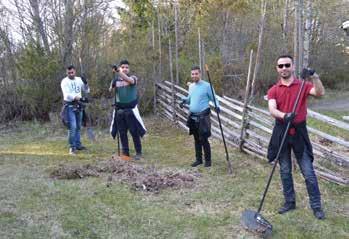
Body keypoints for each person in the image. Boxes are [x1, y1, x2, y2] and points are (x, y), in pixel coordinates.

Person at [267, 55, 325, 219]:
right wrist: (284, 115)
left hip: (299, 132)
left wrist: (314, 76)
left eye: (287, 65)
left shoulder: (303, 85)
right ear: (277, 69)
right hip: (282, 131)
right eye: (280, 66)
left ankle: (316, 206)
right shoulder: (274, 89)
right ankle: (289, 202)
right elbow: (272, 109)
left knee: (308, 172)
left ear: (293, 67)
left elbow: (320, 93)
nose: (284, 68)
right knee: (285, 171)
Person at [181, 66, 220, 167]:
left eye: (196, 74)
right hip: (193, 116)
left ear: (200, 74)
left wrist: (217, 106)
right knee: (196, 139)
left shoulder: (207, 86)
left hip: (203, 117)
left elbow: (214, 98)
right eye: (192, 74)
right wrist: (184, 100)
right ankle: (198, 159)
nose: (194, 75)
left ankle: (208, 161)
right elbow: (190, 99)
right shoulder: (191, 86)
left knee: (204, 139)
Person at [109, 60, 146, 160]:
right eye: (123, 67)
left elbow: (129, 81)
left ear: (129, 69)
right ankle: (125, 153)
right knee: (122, 132)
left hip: (131, 110)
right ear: (120, 68)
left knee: (134, 131)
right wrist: (113, 82)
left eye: (126, 67)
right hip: (120, 110)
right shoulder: (116, 80)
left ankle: (138, 152)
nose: (125, 69)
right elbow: (110, 90)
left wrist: (118, 71)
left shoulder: (133, 78)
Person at [60, 65, 90, 155]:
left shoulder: (79, 80)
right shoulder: (64, 81)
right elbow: (67, 95)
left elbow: (87, 91)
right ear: (66, 72)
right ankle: (72, 147)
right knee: (72, 127)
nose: (71, 74)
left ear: (75, 71)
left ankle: (78, 145)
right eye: (69, 73)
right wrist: (79, 98)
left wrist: (86, 83)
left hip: (79, 106)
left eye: (72, 72)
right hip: (69, 106)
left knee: (78, 127)